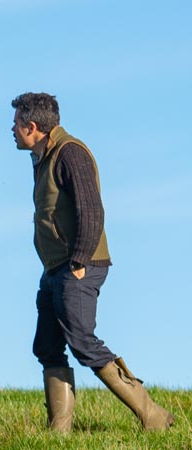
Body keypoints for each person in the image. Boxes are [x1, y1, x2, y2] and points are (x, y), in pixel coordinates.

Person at [11, 92, 173, 432]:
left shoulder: (70, 153)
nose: (12, 129)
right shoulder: (43, 157)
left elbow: (91, 208)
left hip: (79, 265)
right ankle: (60, 431)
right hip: (55, 268)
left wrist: (80, 260)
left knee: (82, 341)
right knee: (47, 345)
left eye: (16, 123)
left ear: (33, 126)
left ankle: (154, 417)